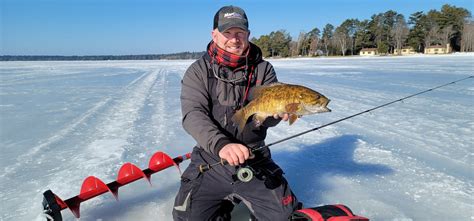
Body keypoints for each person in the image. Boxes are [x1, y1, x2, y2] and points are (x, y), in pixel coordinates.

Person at [173, 5, 299, 221]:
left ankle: (239, 196)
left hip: (254, 157)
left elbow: (266, 119)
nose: (234, 39)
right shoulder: (198, 71)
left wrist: (278, 113)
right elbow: (193, 115)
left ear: (248, 35)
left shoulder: (263, 69)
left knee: (285, 216)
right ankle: (226, 201)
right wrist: (222, 145)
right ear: (215, 35)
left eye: (240, 33)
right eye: (227, 33)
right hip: (211, 158)